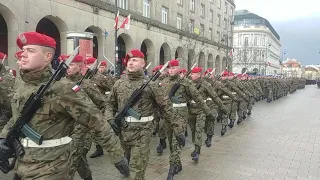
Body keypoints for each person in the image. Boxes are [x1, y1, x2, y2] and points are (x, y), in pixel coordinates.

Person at [0, 31, 129, 179]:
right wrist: (4, 138)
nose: (23, 54)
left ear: (48, 57)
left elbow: (97, 121)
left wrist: (117, 157)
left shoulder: (63, 88)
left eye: (30, 50)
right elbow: (18, 117)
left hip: (51, 167)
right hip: (22, 162)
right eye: (23, 50)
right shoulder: (22, 84)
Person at [104, 49, 185, 180]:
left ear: (143, 63)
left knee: (137, 172)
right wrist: (110, 119)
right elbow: (109, 104)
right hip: (123, 132)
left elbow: (166, 107)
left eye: (134, 60)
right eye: (129, 60)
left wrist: (178, 129)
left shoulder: (151, 85)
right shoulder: (119, 83)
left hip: (142, 133)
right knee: (126, 170)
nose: (130, 63)